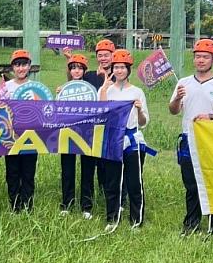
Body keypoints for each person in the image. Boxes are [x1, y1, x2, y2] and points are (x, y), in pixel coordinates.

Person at [169, 39, 213, 236]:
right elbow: (173, 110)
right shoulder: (183, 83)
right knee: (191, 183)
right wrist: (177, 98)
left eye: (205, 57)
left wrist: (211, 117)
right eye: (198, 56)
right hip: (189, 139)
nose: (201, 60)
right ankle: (191, 223)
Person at [98, 49, 149, 232]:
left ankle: (137, 219)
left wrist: (140, 110)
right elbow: (101, 115)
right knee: (112, 181)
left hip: (132, 139)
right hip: (113, 139)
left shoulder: (137, 92)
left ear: (128, 69)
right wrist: (103, 90)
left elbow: (143, 123)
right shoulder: (106, 91)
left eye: (122, 67)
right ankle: (112, 218)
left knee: (134, 181)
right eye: (116, 67)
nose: (119, 71)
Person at [63, 39, 116, 193]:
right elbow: (75, 83)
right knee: (93, 160)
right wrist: (69, 59)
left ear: (113, 55)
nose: (103, 58)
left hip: (110, 123)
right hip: (90, 126)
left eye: (106, 55)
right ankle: (97, 191)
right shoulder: (91, 75)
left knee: (106, 160)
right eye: (100, 55)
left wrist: (106, 77)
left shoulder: (119, 73)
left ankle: (106, 191)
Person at [57, 53, 96, 219]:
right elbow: (56, 112)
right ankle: (67, 204)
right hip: (67, 132)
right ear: (69, 71)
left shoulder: (91, 90)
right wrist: (58, 95)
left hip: (87, 132)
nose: (76, 71)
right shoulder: (63, 89)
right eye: (73, 68)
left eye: (80, 68)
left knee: (87, 169)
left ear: (84, 71)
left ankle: (86, 206)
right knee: (67, 169)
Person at [3, 49, 38, 212]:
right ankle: (15, 204)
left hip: (31, 137)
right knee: (12, 172)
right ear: (12, 67)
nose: (21, 68)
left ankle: (28, 204)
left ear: (29, 66)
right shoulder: (5, 87)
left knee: (28, 172)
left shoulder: (37, 88)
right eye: (17, 65)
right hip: (10, 137)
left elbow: (45, 110)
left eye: (24, 64)